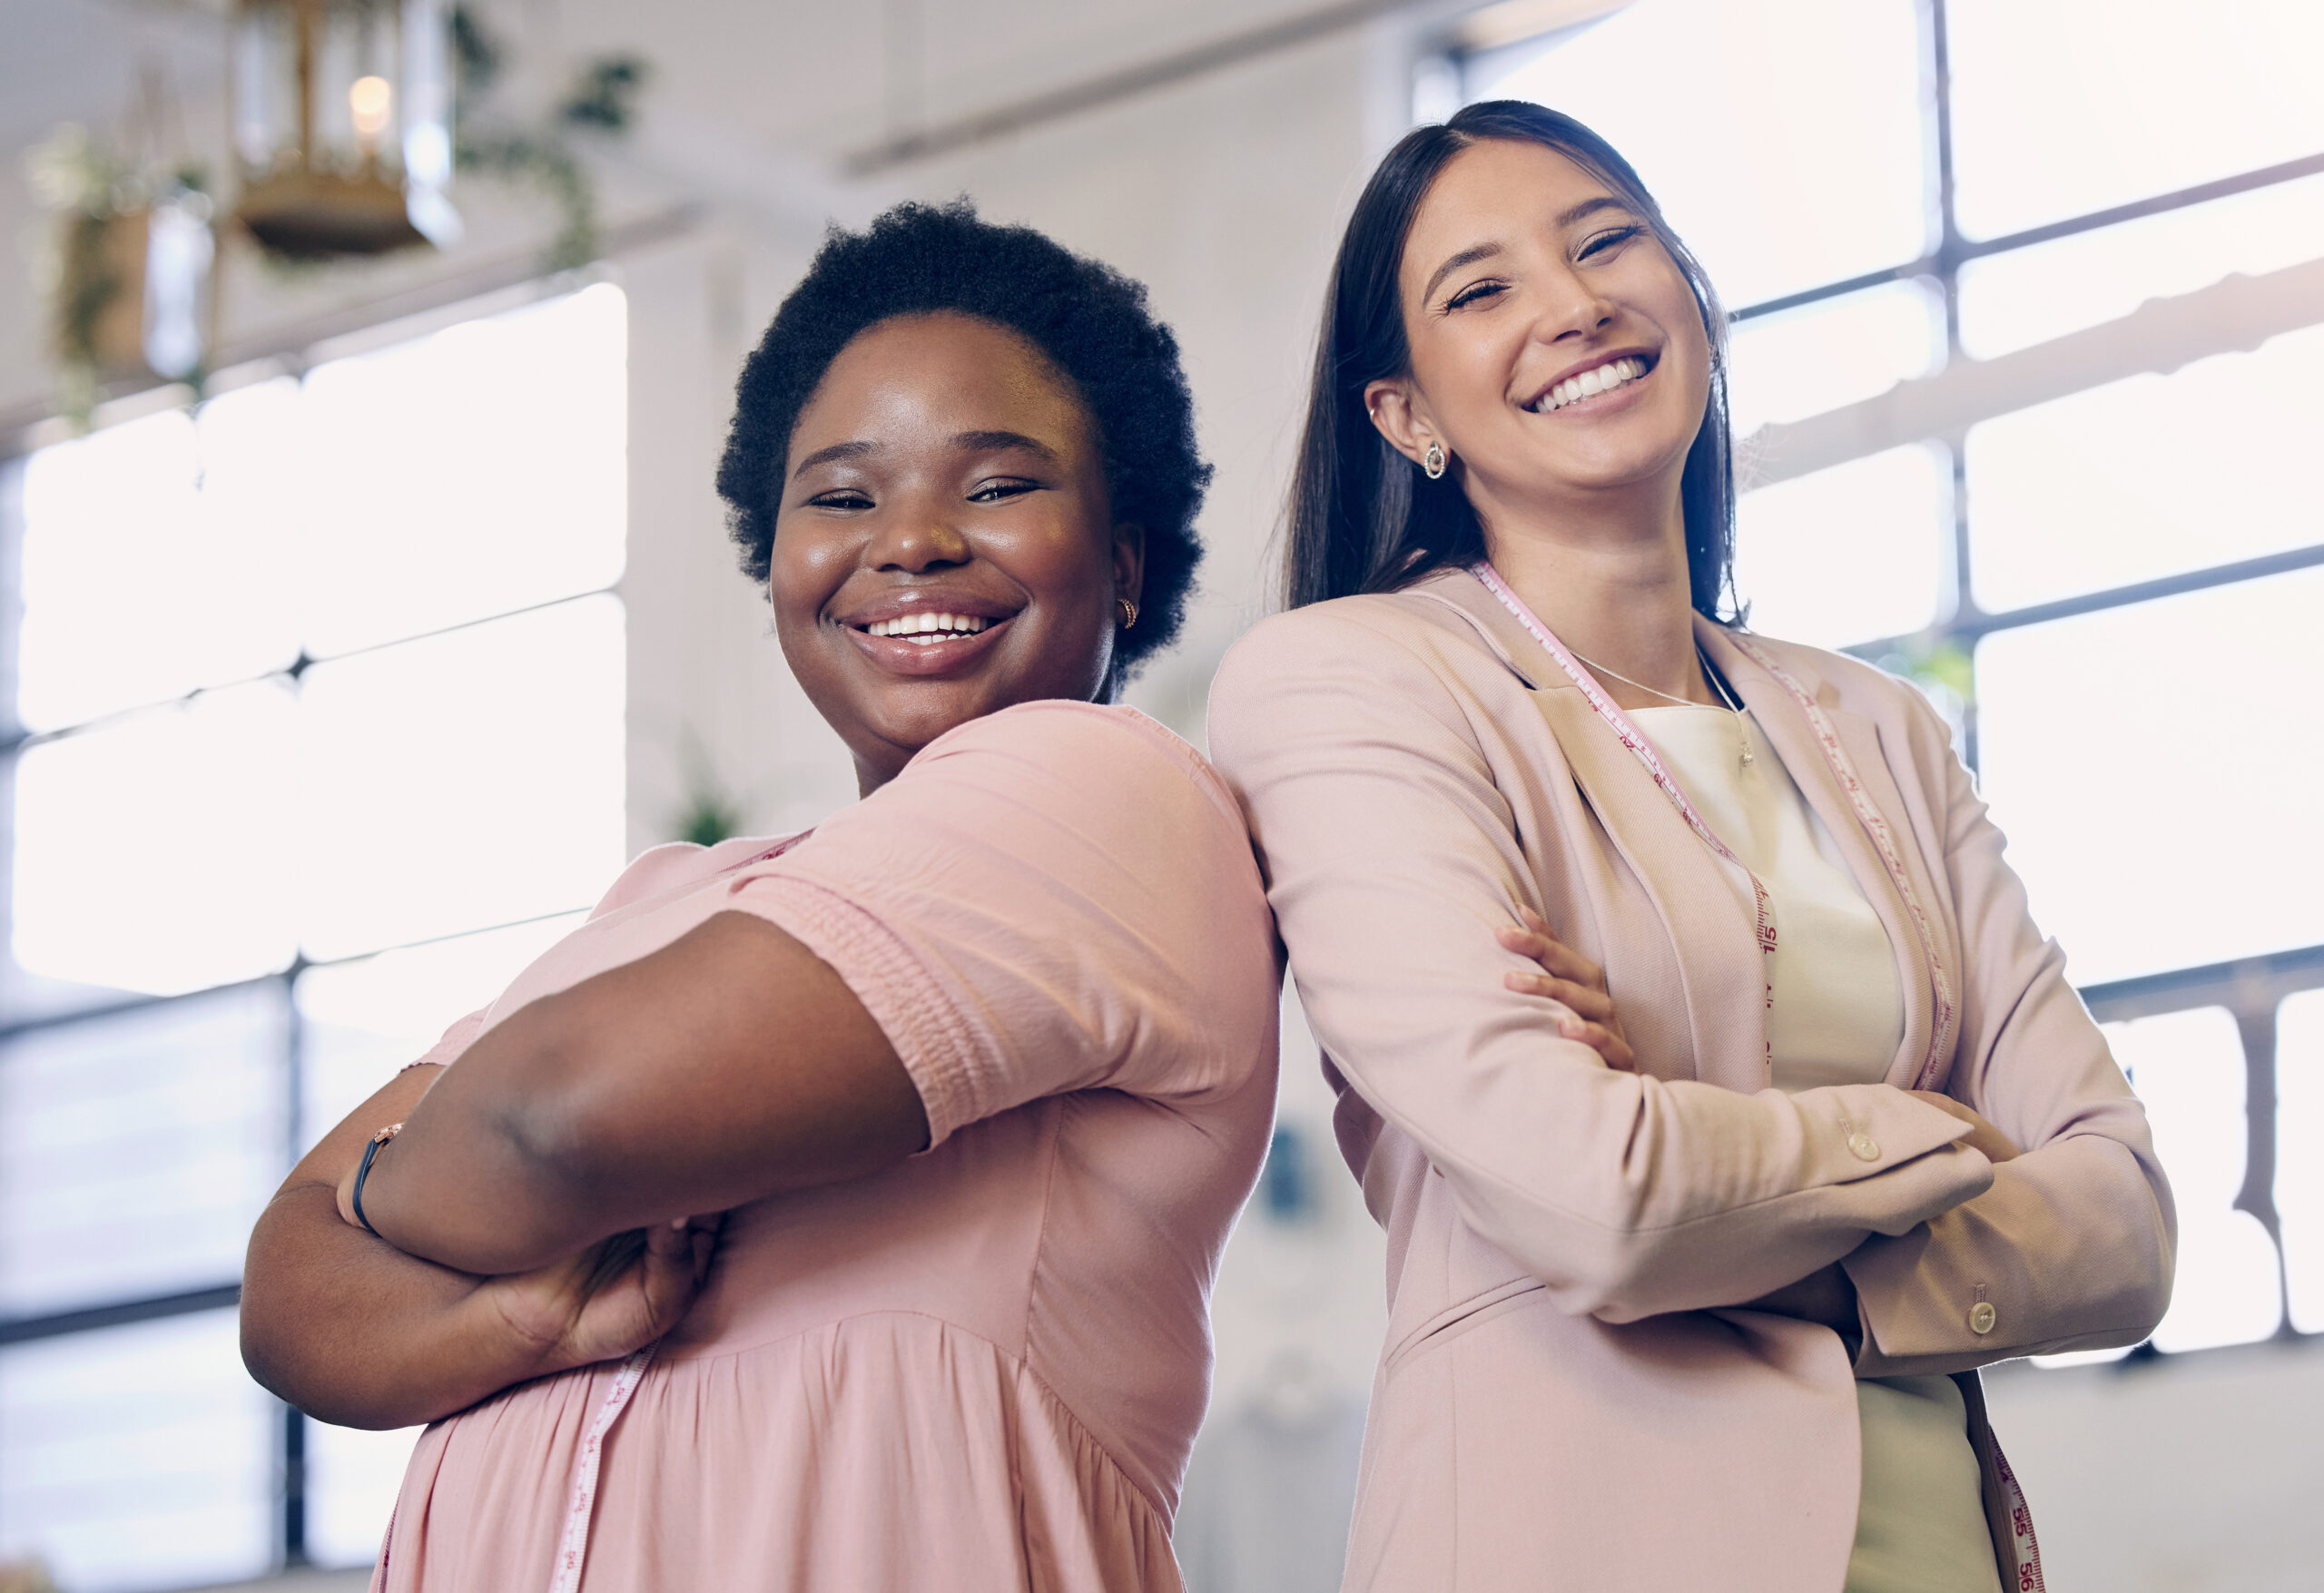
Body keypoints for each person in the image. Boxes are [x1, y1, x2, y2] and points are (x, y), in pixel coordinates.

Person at [241, 201, 1282, 1593]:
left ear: (1129, 561)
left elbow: (554, 1121)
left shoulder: (1106, 795)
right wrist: (533, 1325)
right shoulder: (668, 900)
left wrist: (370, 1197)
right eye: (843, 497)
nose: (908, 541)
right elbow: (284, 1306)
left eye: (994, 487)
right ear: (774, 558)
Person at [1206, 102, 2174, 1593]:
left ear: (1692, 297)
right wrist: (1949, 1140)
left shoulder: (1881, 725)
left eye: (1606, 244)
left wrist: (1703, 1165)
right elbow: (1595, 1202)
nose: (1573, 304)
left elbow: (2126, 1226)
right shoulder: (1351, 681)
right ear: (1405, 414)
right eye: (1483, 290)